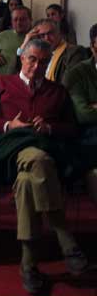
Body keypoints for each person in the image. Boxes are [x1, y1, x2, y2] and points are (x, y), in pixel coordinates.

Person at [0, 39, 88, 296]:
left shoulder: (57, 91)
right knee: (37, 159)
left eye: (43, 62)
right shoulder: (0, 84)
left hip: (45, 153)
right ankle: (65, 238)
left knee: (29, 179)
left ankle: (28, 264)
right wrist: (7, 125)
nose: (37, 66)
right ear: (22, 59)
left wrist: (49, 128)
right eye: (32, 59)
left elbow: (72, 128)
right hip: (7, 153)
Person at [62, 23, 97, 205]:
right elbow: (84, 114)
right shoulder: (78, 73)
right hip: (87, 131)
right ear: (92, 46)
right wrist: (91, 108)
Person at [16, 19, 87, 84]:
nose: (47, 38)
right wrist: (25, 43)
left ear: (59, 33)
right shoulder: (34, 54)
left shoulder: (74, 52)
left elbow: (68, 83)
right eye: (42, 35)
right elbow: (12, 74)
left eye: (50, 33)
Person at [0, 6, 31, 77]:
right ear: (11, 21)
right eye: (15, 19)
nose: (18, 22)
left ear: (30, 20)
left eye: (22, 19)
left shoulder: (35, 38)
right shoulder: (3, 35)